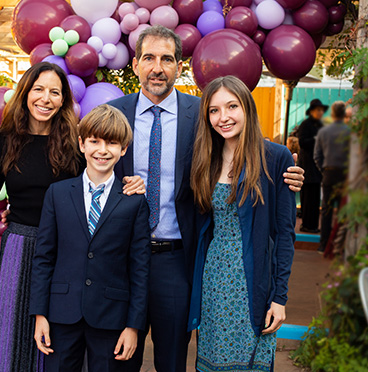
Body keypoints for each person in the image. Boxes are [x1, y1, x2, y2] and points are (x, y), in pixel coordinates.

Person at [108, 25, 305, 372]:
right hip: (121, 260)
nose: (157, 67)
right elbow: (85, 169)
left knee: (173, 361)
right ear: (136, 63)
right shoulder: (113, 114)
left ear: (179, 67)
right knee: (118, 359)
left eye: (167, 59)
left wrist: (288, 174)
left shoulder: (202, 116)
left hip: (176, 260)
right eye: (149, 58)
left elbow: (251, 159)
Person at [0, 62, 145, 372]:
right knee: (15, 337)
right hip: (20, 246)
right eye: (38, 90)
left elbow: (100, 180)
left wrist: (134, 182)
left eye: (55, 92)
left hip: (65, 250)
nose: (45, 98)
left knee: (60, 341)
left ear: (63, 100)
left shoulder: (73, 145)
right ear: (25, 93)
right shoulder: (0, 143)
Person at [30, 104, 151, 372]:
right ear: (82, 144)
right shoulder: (58, 194)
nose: (102, 150)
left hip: (112, 316)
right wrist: (40, 314)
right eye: (94, 141)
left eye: (111, 143)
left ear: (124, 149)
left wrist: (134, 326)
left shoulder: (134, 202)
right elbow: (43, 258)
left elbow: (140, 268)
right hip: (61, 313)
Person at [188, 75, 296, 371]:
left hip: (254, 280)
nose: (223, 117)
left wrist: (280, 297)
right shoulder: (205, 158)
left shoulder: (275, 157)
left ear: (247, 107)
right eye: (214, 110)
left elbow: (285, 234)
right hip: (213, 280)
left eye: (232, 106)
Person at [314, 101, 350, 253]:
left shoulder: (323, 132)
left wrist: (324, 170)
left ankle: (323, 246)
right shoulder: (350, 132)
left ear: (333, 114)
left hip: (328, 172)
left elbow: (317, 155)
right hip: (345, 174)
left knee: (326, 210)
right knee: (343, 210)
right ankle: (339, 246)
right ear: (343, 114)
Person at [297, 98, 328, 233]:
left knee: (315, 198)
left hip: (317, 166)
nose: (320, 113)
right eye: (318, 110)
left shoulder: (320, 125)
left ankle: (313, 225)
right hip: (308, 165)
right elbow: (302, 142)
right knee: (308, 196)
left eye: (322, 110)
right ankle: (307, 225)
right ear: (312, 111)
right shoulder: (305, 124)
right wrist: (317, 139)